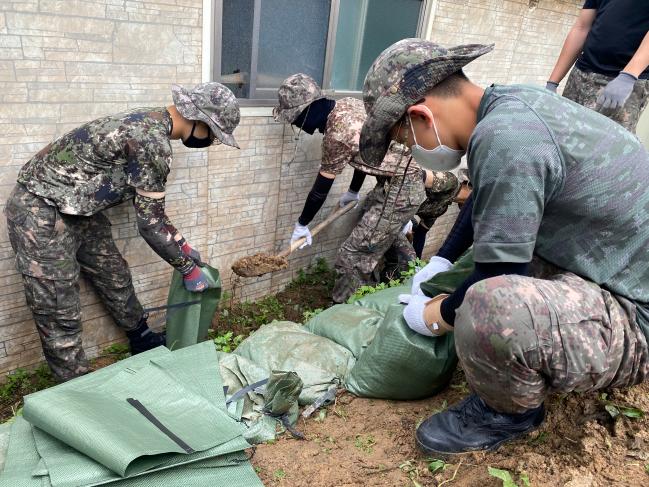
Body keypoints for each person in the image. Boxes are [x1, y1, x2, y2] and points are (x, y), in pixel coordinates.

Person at [359, 38, 649, 455]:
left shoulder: (506, 136)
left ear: (421, 114)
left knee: (488, 305)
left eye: (407, 141)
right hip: (613, 261)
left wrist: (436, 315)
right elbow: (487, 204)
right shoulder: (512, 105)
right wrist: (441, 260)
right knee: (477, 271)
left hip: (637, 314)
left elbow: (498, 274)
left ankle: (508, 413)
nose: (415, 152)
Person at [5, 83, 240, 382]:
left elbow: (153, 210)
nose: (211, 142)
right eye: (214, 135)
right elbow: (149, 224)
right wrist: (186, 267)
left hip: (78, 205)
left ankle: (141, 339)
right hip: (40, 209)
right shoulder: (152, 142)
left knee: (114, 274)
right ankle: (75, 389)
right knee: (57, 305)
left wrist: (181, 244)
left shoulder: (151, 121)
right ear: (199, 120)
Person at [273, 74, 459, 303]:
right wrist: (353, 190)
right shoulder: (347, 105)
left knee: (352, 255)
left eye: (295, 119)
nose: (298, 126)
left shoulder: (336, 134)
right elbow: (365, 154)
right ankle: (407, 276)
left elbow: (320, 190)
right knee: (374, 227)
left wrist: (302, 224)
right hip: (399, 182)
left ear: (307, 110)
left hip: (400, 190)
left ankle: (343, 307)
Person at [546, 0, 649, 132]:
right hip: (581, 74)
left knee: (604, 143)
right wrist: (552, 83)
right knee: (562, 132)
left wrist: (629, 75)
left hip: (623, 82)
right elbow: (581, 27)